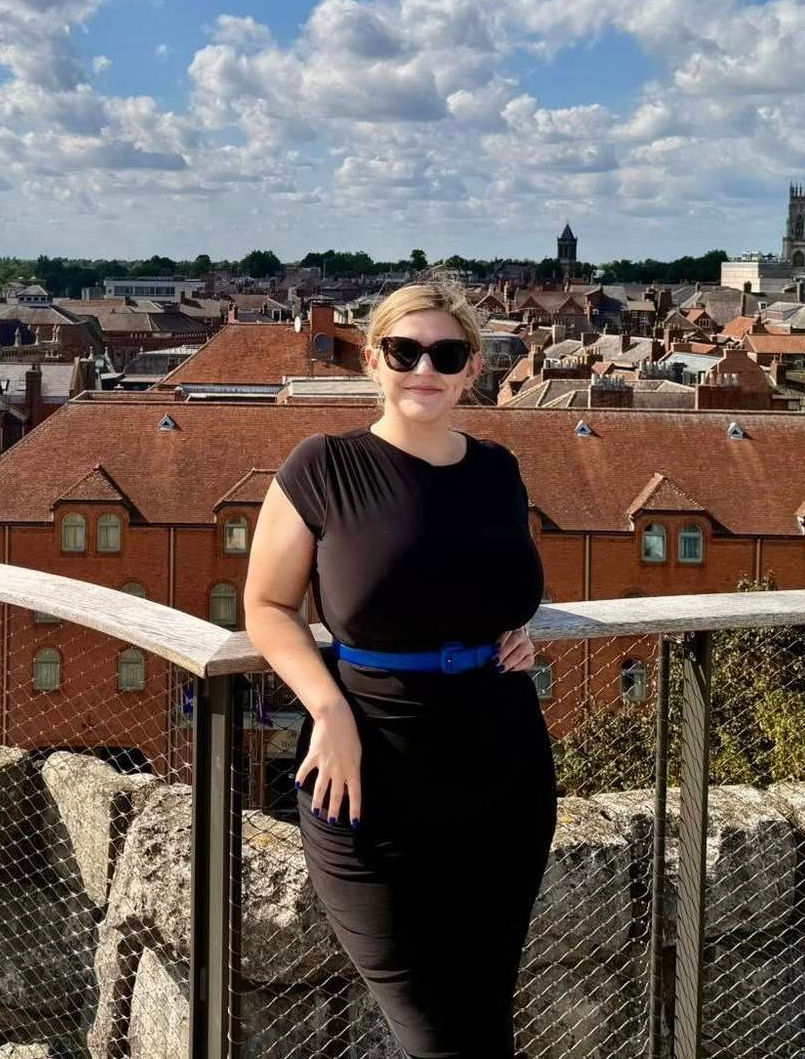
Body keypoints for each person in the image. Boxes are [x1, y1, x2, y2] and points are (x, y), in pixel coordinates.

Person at [243, 278, 556, 1058]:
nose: (426, 367)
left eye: (446, 354)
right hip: (369, 777)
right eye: (404, 350)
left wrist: (515, 629)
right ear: (373, 363)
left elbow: (494, 580)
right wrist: (329, 709)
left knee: (485, 1020)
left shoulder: (497, 470)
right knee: (435, 1034)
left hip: (503, 776)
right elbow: (268, 607)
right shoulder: (324, 467)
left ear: (472, 368)